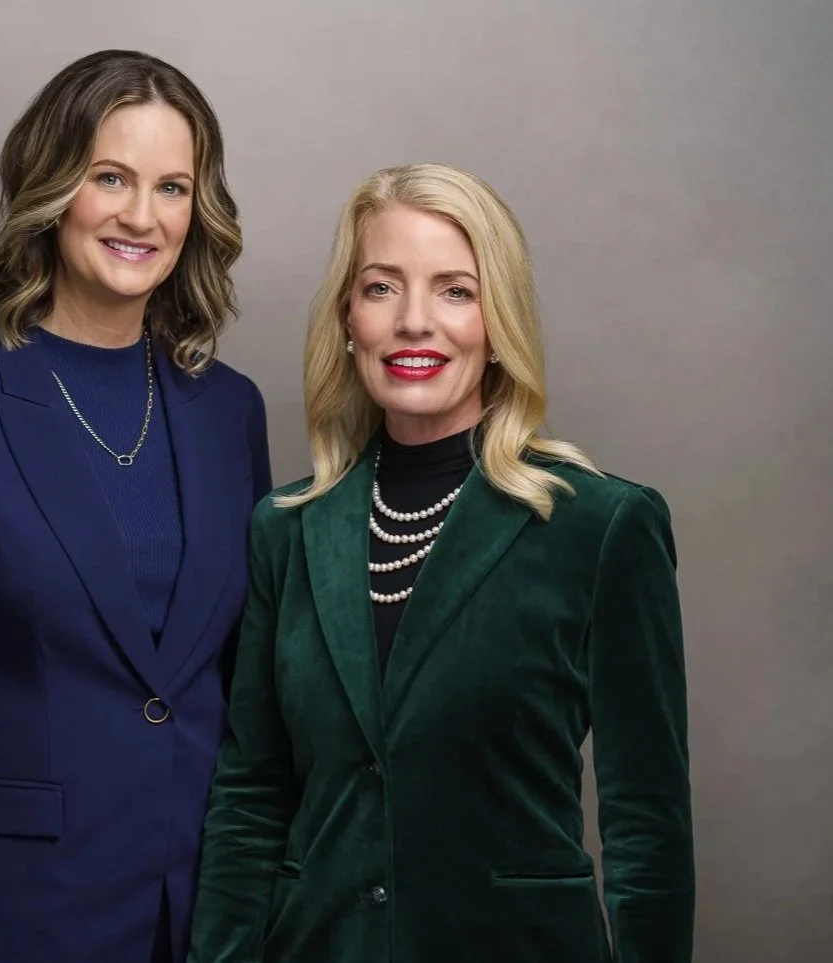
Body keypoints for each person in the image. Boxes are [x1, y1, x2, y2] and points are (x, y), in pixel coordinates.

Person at [187, 163, 694, 962]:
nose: (414, 321)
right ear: (348, 318)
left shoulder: (600, 527)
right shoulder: (286, 530)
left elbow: (646, 826)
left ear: (499, 322)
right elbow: (252, 797)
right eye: (382, 287)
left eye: (455, 290)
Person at [0, 49, 272, 963]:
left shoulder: (229, 410)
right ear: (50, 186)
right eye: (108, 177)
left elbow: (246, 694)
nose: (139, 216)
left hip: (208, 914)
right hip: (18, 916)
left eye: (171, 187)